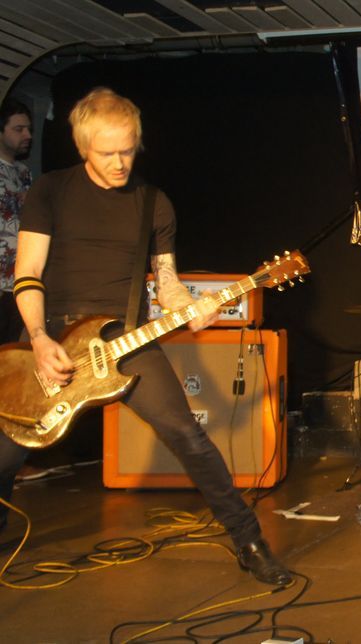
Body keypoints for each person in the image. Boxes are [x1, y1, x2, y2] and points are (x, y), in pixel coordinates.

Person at [0, 88, 291, 586]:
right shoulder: (50, 190)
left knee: (187, 435)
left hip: (124, 338)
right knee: (9, 448)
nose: (120, 163)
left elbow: (168, 283)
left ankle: (249, 542)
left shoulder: (154, 203)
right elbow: (27, 271)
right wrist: (40, 339)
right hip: (53, 336)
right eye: (107, 153)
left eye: (128, 150)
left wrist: (191, 308)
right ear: (82, 147)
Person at [0, 97, 33, 344]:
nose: (27, 135)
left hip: (20, 283)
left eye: (28, 129)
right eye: (19, 129)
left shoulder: (24, 172)